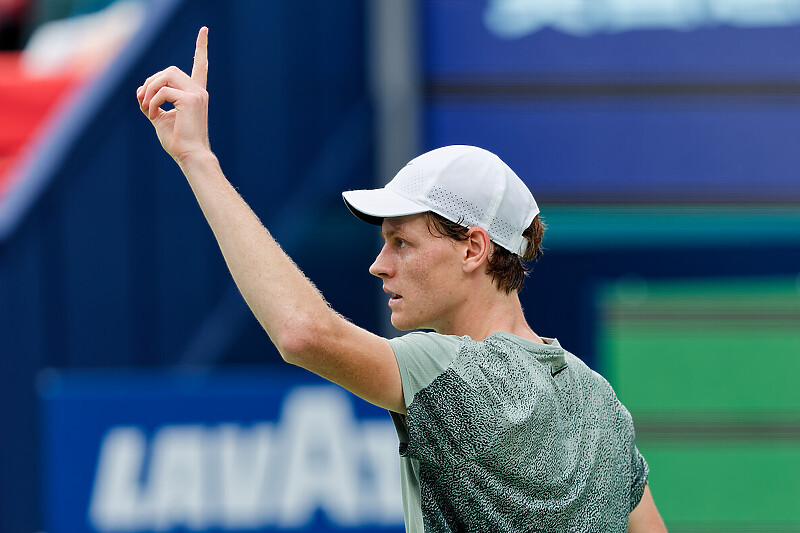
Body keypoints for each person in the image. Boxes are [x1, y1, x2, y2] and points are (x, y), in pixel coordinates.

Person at [136, 27, 667, 533]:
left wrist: (197, 158)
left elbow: (303, 332)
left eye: (403, 242)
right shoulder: (600, 403)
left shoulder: (449, 372)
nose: (379, 263)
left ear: (474, 249)